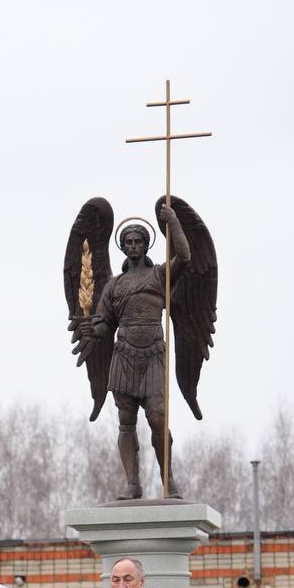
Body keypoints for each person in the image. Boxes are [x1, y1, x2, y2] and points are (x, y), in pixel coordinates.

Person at [79, 206, 190, 498]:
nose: (132, 246)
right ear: (123, 247)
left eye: (137, 241)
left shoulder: (160, 275)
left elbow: (186, 257)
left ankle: (169, 480)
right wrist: (94, 327)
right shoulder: (114, 286)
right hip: (124, 355)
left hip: (153, 354)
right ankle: (132, 483)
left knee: (157, 418)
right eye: (127, 242)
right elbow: (104, 324)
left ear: (145, 244)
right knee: (126, 421)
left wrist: (173, 222)